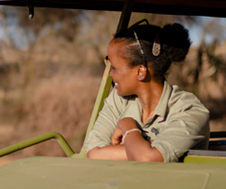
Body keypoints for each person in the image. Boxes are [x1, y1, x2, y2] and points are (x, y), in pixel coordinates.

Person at [83, 21, 209, 162]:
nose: (111, 74)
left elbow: (147, 158)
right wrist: (143, 147)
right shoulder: (119, 98)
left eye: (114, 67)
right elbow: (94, 152)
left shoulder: (189, 111)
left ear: (140, 72)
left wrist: (127, 126)